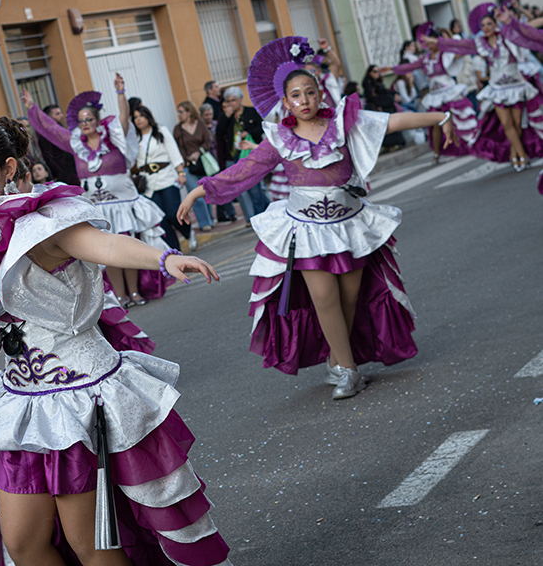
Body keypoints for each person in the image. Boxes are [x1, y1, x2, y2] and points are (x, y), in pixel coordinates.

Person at [0, 82, 231, 566]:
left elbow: (106, 246)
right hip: (22, 407)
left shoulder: (43, 224)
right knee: (24, 544)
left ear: (8, 168)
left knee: (91, 544)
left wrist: (165, 257)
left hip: (77, 403)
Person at [180, 36, 455, 400]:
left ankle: (338, 357)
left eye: (310, 92)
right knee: (324, 298)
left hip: (349, 225)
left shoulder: (344, 123)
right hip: (305, 230)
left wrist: (441, 116)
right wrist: (199, 190)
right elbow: (243, 172)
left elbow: (390, 122)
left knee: (349, 300)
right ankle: (349, 372)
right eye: (296, 95)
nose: (304, 100)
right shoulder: (279, 139)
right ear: (285, 102)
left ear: (320, 93)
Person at [23, 74, 172, 307]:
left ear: (97, 119)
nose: (86, 124)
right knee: (107, 251)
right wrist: (33, 109)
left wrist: (120, 93)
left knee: (126, 243)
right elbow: (51, 129)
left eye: (89, 119)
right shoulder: (76, 143)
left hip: (122, 202)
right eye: (82, 121)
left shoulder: (114, 138)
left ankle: (135, 292)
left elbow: (124, 119)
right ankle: (121, 295)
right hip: (97, 205)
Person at [426, 3, 543, 169]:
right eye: (483, 25)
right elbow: (460, 45)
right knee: (506, 124)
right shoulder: (480, 44)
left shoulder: (508, 37)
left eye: (489, 24)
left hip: (516, 86)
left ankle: (513, 153)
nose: (486, 28)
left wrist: (510, 20)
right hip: (496, 89)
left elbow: (527, 31)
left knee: (517, 125)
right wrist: (436, 41)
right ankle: (522, 156)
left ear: (495, 24)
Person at [389, 23, 479, 164]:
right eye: (427, 43)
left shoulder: (446, 55)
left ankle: (465, 145)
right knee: (435, 123)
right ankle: (436, 154)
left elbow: (461, 51)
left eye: (431, 42)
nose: (429, 46)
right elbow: (410, 66)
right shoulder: (425, 59)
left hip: (449, 91)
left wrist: (447, 44)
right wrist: (392, 69)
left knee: (457, 120)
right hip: (434, 95)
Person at [132, 104, 195, 253]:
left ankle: (188, 232)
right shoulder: (135, 138)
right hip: (148, 182)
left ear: (148, 117)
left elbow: (174, 152)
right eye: (135, 118)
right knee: (161, 219)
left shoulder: (161, 131)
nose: (138, 120)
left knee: (173, 213)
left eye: (141, 116)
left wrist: (181, 173)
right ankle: (174, 251)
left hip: (166, 177)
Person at [215, 86, 269, 221]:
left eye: (233, 100)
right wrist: (226, 117)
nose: (231, 103)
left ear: (240, 99)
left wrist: (248, 132)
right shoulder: (227, 117)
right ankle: (266, 210)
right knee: (246, 187)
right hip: (236, 156)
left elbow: (262, 128)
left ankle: (260, 216)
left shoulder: (251, 112)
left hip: (252, 154)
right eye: (228, 101)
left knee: (254, 186)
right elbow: (219, 133)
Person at [174, 101, 214, 232]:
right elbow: (175, 149)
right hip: (187, 166)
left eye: (181, 112)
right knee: (195, 195)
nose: (179, 114)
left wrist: (198, 152)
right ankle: (204, 223)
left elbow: (207, 141)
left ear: (189, 112)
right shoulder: (177, 129)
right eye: (178, 112)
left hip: (202, 163)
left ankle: (210, 219)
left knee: (206, 192)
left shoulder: (200, 124)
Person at [362, 65, 407, 148]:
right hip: (381, 107)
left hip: (387, 106)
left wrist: (393, 95)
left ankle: (396, 143)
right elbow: (371, 97)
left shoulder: (378, 82)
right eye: (374, 71)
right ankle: (390, 145)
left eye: (378, 71)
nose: (377, 74)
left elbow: (386, 91)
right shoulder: (368, 84)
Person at [37, 104, 81, 186]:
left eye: (60, 113)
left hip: (73, 169)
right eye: (57, 114)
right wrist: (61, 175)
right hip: (64, 174)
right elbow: (49, 158)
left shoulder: (61, 132)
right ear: (49, 117)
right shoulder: (45, 136)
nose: (61, 116)